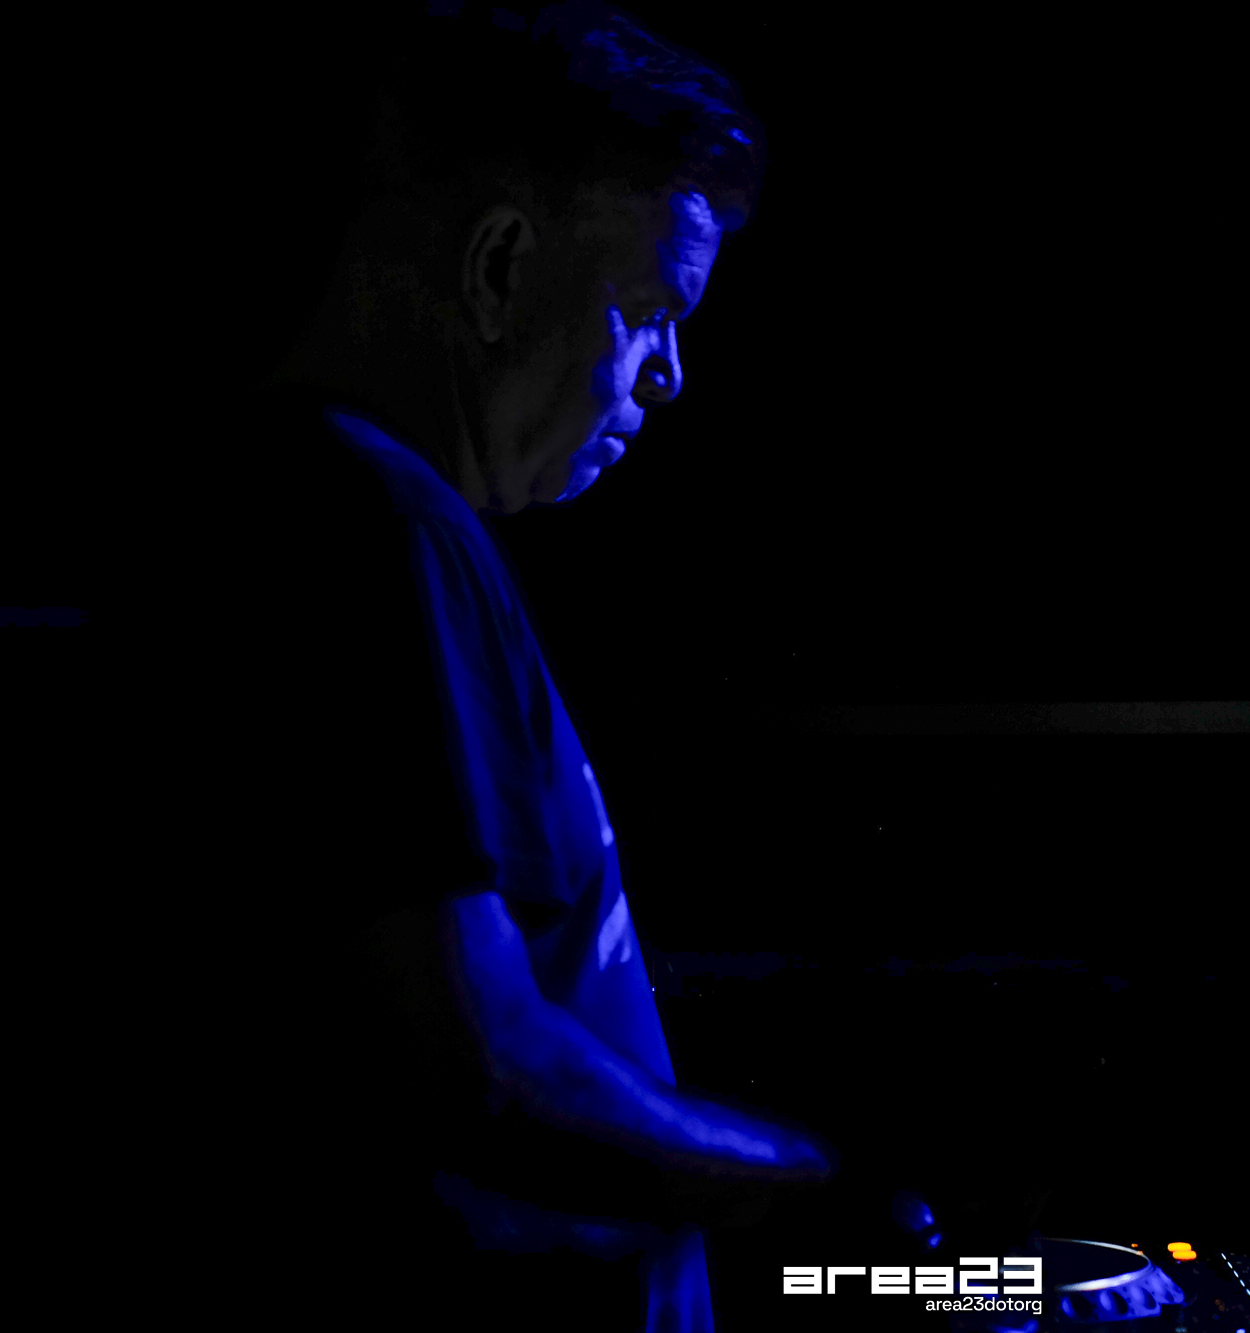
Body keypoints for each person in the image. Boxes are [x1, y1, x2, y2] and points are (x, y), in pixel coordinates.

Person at [142, 3, 834, 1324]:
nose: (670, 377)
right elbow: (482, 1066)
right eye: (650, 310)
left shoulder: (340, 514)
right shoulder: (373, 523)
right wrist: (811, 1187)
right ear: (502, 267)